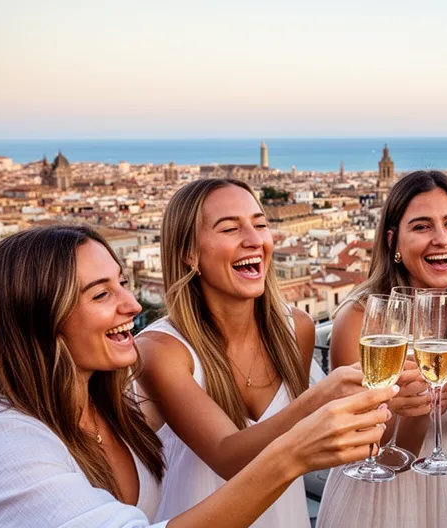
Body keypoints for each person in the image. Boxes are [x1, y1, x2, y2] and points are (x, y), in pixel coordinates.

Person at [0, 225, 395, 527]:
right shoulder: (2, 449)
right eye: (102, 294)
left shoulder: (112, 408)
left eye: (122, 283)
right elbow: (227, 451)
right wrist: (293, 454)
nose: (133, 305)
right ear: (38, 317)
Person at [135, 178, 368, 526]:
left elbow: (290, 440)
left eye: (260, 224)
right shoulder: (160, 350)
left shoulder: (297, 329)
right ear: (189, 253)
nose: (255, 240)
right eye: (230, 229)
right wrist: (321, 397)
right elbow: (230, 459)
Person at [316, 170, 447, 528]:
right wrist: (420, 408)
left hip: (445, 504)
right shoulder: (362, 321)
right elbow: (376, 458)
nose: (441, 239)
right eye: (422, 227)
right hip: (373, 506)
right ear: (393, 242)